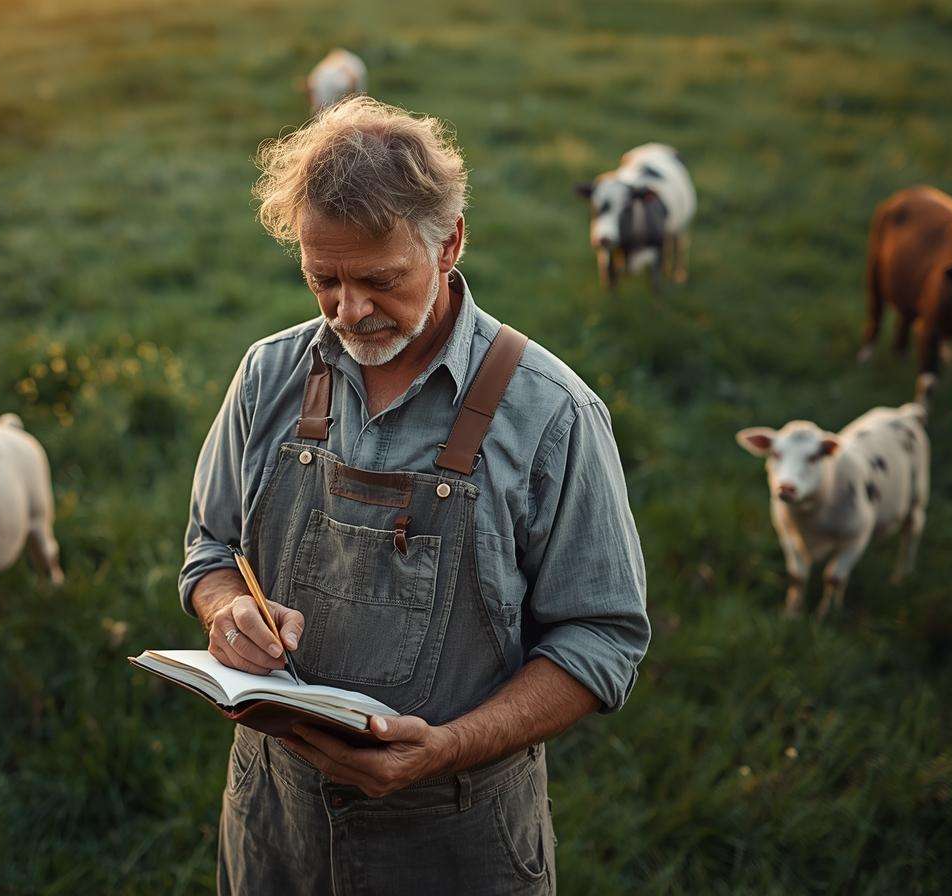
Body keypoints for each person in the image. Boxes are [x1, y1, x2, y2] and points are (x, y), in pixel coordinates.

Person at [179, 96, 650, 895]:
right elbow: (210, 551)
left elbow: (601, 640)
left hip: (455, 836)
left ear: (451, 240)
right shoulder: (268, 374)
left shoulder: (552, 415)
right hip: (274, 825)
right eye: (322, 278)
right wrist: (227, 612)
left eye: (380, 279)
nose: (348, 311)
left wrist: (450, 747)